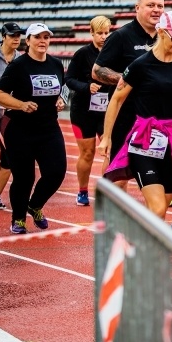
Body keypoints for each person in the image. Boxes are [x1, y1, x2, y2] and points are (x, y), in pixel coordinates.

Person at [98, 11, 172, 220]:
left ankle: (139, 244)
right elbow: (116, 100)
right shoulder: (140, 64)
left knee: (163, 206)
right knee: (157, 206)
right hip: (144, 139)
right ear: (161, 32)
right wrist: (106, 137)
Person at [0, 23, 66, 234]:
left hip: (48, 127)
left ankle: (34, 205)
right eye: (37, 37)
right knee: (24, 177)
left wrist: (60, 100)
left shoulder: (55, 64)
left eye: (46, 37)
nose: (42, 41)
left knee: (56, 172)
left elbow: (60, 88)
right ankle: (18, 219)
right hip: (19, 128)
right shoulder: (19, 66)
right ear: (28, 41)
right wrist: (21, 104)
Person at [92, 0, 164, 189]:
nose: (156, 10)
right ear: (137, 8)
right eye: (151, 5)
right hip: (125, 114)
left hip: (156, 117)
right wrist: (127, 79)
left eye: (160, 6)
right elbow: (97, 71)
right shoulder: (121, 36)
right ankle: (110, 208)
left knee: (156, 170)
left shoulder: (165, 37)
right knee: (120, 172)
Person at [65, 15, 112, 206]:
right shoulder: (82, 53)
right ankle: (82, 191)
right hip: (83, 111)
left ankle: (106, 192)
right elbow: (69, 80)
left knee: (110, 150)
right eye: (99, 33)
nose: (103, 37)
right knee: (87, 153)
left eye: (106, 33)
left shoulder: (113, 53)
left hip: (106, 111)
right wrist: (87, 87)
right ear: (91, 33)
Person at [0, 22, 24, 210]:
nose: (16, 38)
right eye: (12, 35)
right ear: (3, 36)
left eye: (18, 35)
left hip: (7, 114)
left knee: (8, 158)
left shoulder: (20, 60)